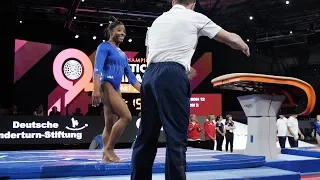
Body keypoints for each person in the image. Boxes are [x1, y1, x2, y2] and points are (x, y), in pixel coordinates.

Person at [131, 0, 250, 179]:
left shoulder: (157, 21)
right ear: (193, 4)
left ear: (173, 2)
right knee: (176, 137)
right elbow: (231, 39)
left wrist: (179, 67)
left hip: (149, 76)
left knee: (145, 137)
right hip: (172, 75)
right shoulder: (194, 17)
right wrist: (245, 46)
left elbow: (151, 55)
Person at [92, 17, 141, 163]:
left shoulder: (123, 55)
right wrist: (95, 90)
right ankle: (109, 148)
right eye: (119, 30)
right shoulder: (104, 47)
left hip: (116, 88)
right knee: (126, 117)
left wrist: (144, 91)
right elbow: (97, 69)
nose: (122, 33)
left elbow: (132, 78)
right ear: (111, 31)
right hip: (106, 85)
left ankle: (105, 156)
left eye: (124, 31)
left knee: (109, 125)